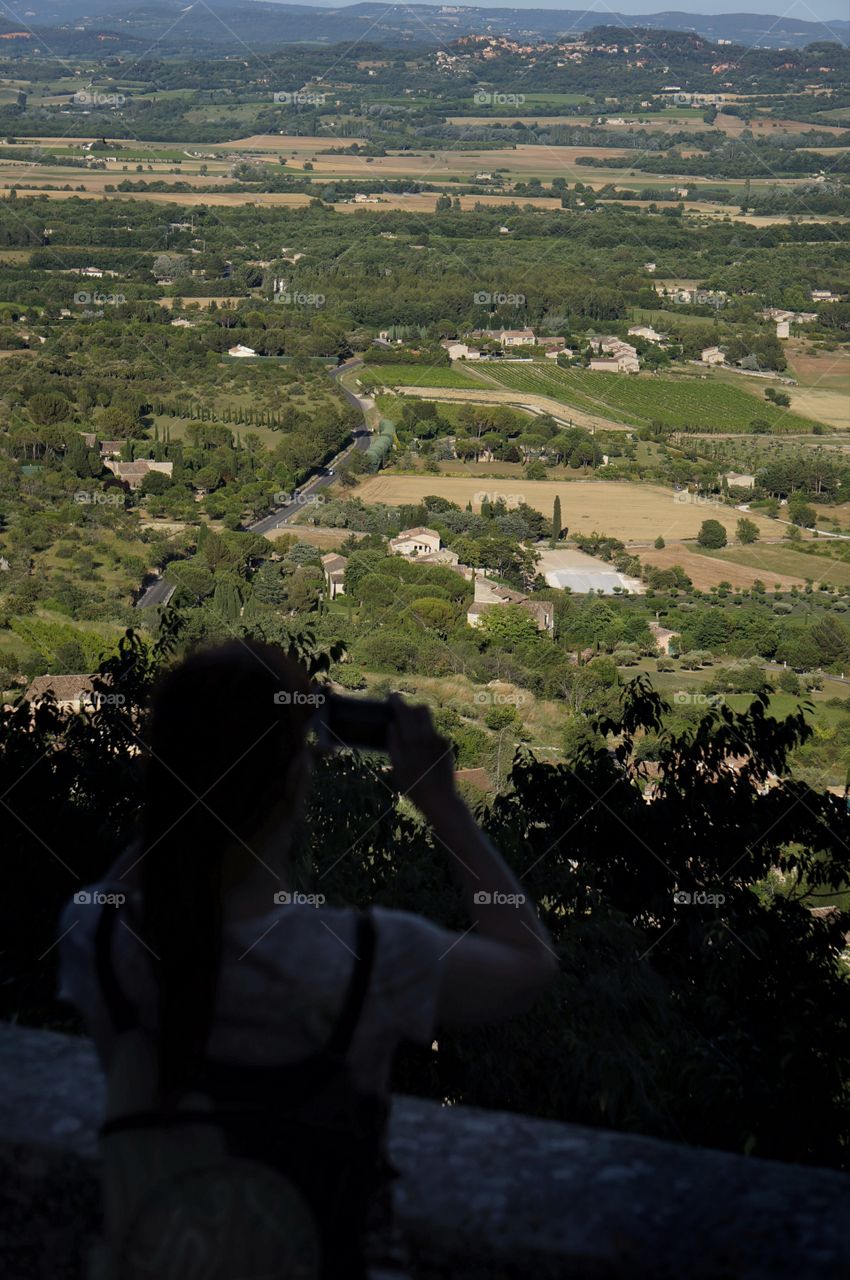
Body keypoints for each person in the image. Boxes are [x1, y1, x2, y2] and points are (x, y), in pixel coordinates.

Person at [59, 640, 556, 1278]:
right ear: (297, 781)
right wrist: (442, 804)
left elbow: (155, 853)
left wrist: (196, 773)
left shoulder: (94, 934)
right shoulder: (367, 960)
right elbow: (530, 962)